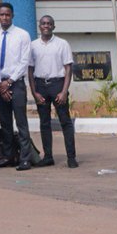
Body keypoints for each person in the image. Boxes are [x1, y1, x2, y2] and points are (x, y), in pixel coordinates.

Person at [29, 15, 78, 168]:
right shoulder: (33, 45)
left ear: (53, 27)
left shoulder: (62, 44)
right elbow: (29, 70)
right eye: (43, 23)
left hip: (57, 84)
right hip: (40, 86)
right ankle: (48, 156)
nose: (46, 26)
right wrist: (34, 92)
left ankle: (71, 157)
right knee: (44, 123)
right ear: (39, 26)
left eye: (49, 24)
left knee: (65, 122)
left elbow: (68, 68)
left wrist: (64, 91)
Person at [0, 2, 36, 171]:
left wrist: (9, 83)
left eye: (7, 14)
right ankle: (9, 156)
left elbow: (24, 61)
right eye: (2, 15)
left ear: (12, 15)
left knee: (21, 122)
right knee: (5, 123)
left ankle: (25, 158)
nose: (4, 17)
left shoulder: (22, 35)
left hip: (16, 84)